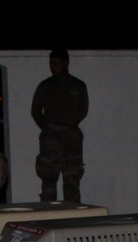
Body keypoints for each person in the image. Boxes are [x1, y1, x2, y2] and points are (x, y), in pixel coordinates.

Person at [31, 48, 88, 203]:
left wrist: (69, 125)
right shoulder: (45, 86)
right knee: (49, 179)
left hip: (71, 136)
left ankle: (73, 217)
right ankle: (49, 215)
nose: (53, 66)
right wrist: (48, 128)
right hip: (51, 138)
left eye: (56, 63)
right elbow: (36, 111)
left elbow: (83, 110)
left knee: (72, 179)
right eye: (51, 63)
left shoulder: (78, 86)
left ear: (66, 63)